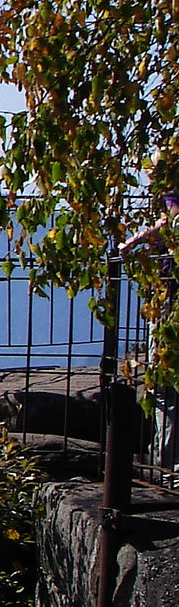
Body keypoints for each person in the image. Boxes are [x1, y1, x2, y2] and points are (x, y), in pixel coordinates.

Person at [119, 191, 179, 471]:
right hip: (168, 293)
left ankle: (166, 463)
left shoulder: (172, 185)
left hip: (170, 296)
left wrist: (134, 242)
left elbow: (170, 223)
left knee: (164, 381)